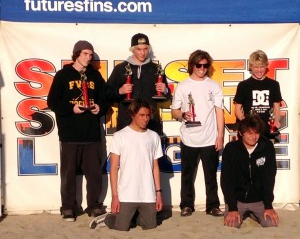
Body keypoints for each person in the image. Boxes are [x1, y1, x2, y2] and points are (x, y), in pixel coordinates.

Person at [47, 40, 108, 222]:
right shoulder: (63, 75)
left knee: (94, 174)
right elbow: (52, 102)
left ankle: (94, 205)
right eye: (85, 54)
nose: (88, 58)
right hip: (70, 133)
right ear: (76, 55)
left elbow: (104, 98)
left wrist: (99, 107)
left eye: (91, 55)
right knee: (68, 174)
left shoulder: (95, 76)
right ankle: (68, 207)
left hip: (91, 133)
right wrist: (70, 108)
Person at [89, 99, 163, 230]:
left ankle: (133, 216)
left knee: (150, 226)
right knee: (122, 227)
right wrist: (115, 196)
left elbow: (155, 166)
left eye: (148, 115)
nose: (145, 119)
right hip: (127, 193)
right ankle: (107, 218)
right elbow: (113, 168)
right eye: (142, 115)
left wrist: (158, 193)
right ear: (133, 115)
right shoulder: (120, 136)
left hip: (147, 193)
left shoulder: (154, 136)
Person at [171, 49, 224, 217]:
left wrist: (220, 135)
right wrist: (182, 115)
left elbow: (219, 112)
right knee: (187, 175)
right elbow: (174, 111)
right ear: (192, 65)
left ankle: (213, 206)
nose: (202, 68)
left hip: (209, 139)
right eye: (199, 65)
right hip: (189, 138)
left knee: (211, 176)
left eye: (205, 65)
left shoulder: (214, 86)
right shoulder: (183, 86)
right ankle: (186, 206)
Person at [106, 33, 171, 136]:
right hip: (127, 124)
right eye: (139, 49)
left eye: (145, 49)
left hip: (150, 124)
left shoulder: (156, 69)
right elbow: (107, 94)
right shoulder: (120, 68)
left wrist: (165, 90)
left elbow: (166, 97)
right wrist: (120, 91)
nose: (142, 53)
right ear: (132, 50)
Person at [221, 114, 279, 228]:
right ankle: (244, 212)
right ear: (241, 133)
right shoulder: (231, 149)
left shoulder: (267, 147)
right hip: (237, 201)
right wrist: (232, 208)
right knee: (232, 225)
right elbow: (226, 181)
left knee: (270, 223)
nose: (254, 137)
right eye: (249, 133)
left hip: (259, 200)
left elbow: (269, 178)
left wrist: (268, 206)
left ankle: (253, 213)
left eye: (256, 133)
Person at [234, 50, 283, 140]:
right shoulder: (243, 85)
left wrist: (276, 121)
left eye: (262, 66)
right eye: (256, 67)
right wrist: (246, 124)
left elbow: (277, 107)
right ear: (250, 66)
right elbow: (237, 109)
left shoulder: (274, 84)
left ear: (266, 66)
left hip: (268, 132)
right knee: (247, 154)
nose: (259, 70)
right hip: (249, 133)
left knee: (267, 154)